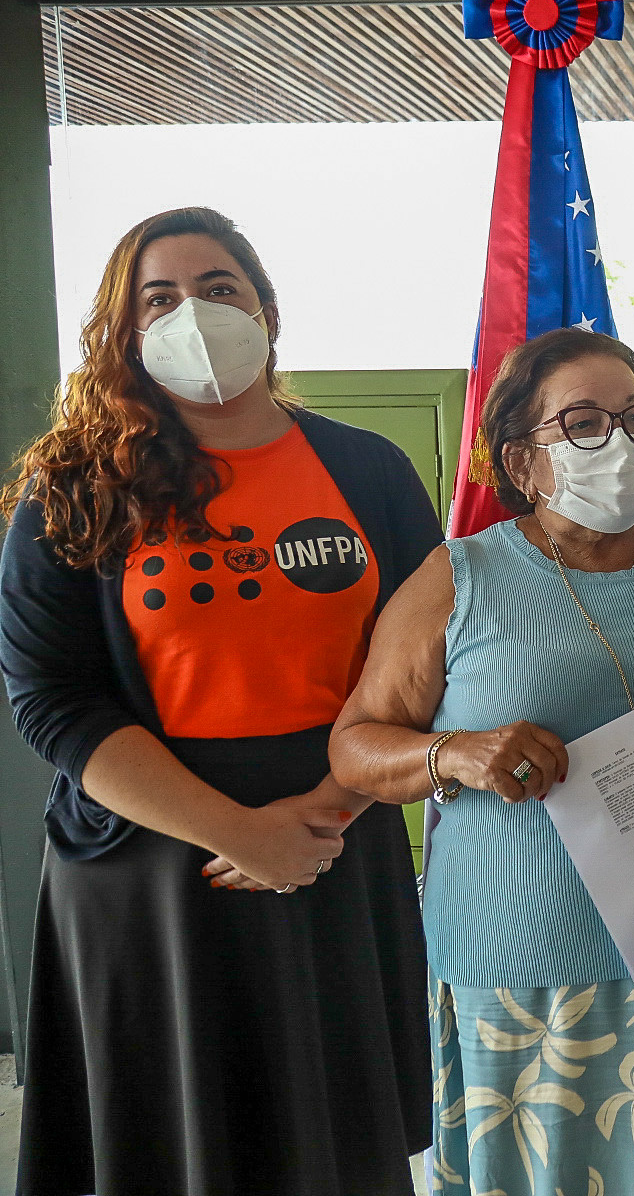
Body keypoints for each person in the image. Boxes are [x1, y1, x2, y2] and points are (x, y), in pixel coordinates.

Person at [329, 327, 634, 1196]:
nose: (623, 441)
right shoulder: (461, 577)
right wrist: (458, 753)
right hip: (527, 971)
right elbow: (356, 748)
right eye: (586, 423)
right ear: (522, 463)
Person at [0, 207, 439, 1195]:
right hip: (148, 864)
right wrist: (241, 830)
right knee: (167, 1150)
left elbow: (431, 661)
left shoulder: (369, 468)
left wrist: (320, 819)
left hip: (335, 840)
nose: (191, 312)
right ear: (123, 327)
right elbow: (53, 703)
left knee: (335, 1147)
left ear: (268, 311)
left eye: (218, 288)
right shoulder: (68, 488)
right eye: (159, 296)